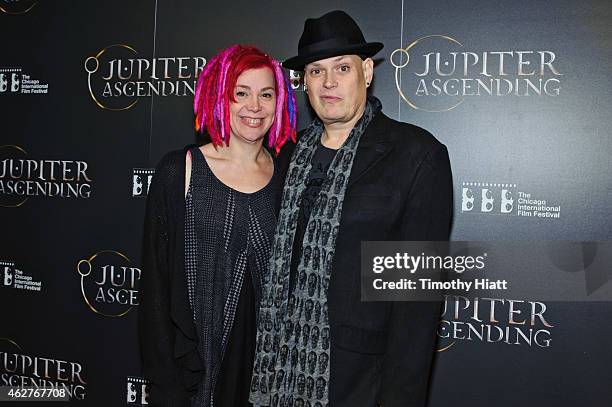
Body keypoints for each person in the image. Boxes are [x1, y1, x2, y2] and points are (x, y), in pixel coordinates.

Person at [250, 10, 453, 407]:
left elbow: (417, 303)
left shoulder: (416, 156)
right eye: (315, 71)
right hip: (277, 372)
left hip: (364, 382)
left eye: (342, 68)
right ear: (304, 84)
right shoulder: (288, 157)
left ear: (366, 71)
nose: (328, 83)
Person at [139, 44, 297, 407]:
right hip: (195, 375)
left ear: (280, 103)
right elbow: (155, 290)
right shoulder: (180, 170)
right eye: (240, 93)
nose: (254, 107)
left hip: (267, 377)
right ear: (218, 97)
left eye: (266, 94)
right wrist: (165, 387)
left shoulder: (287, 176)